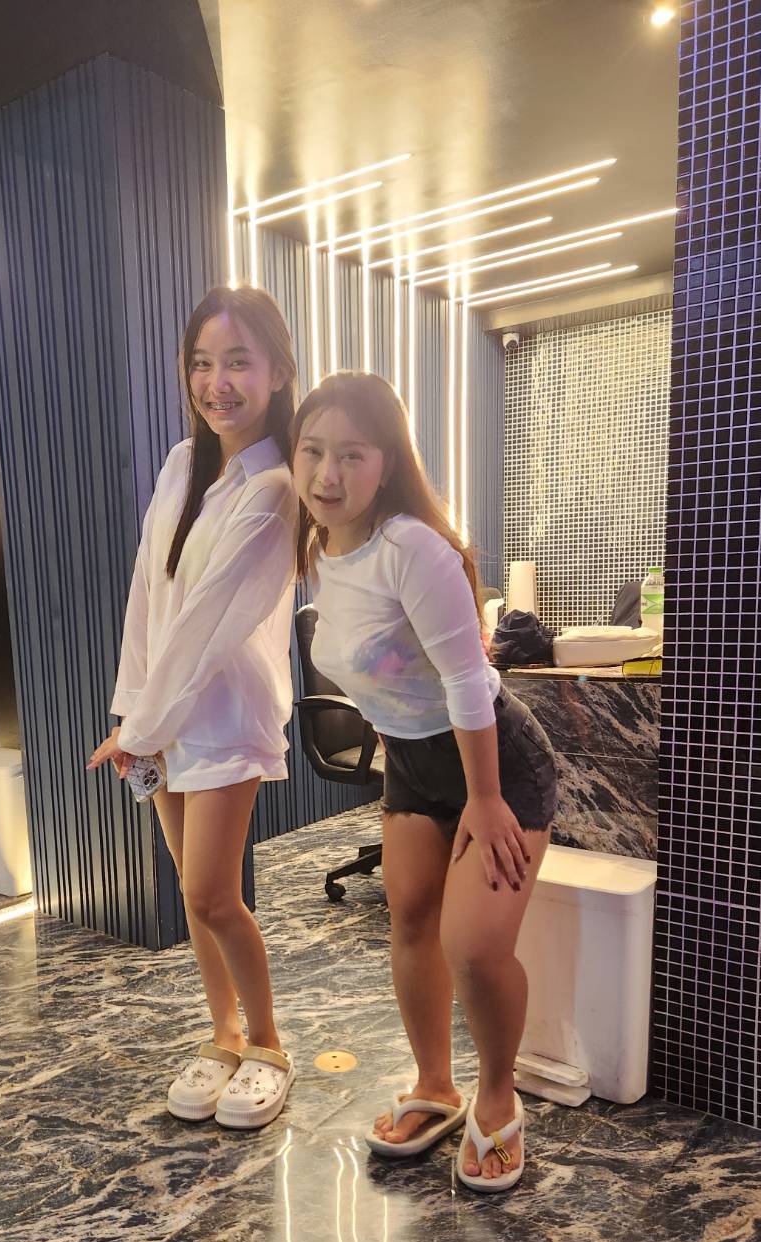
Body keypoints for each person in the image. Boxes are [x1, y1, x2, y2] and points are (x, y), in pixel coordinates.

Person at [290, 371, 557, 1191]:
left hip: (494, 761)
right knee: (409, 919)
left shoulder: (411, 547)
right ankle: (435, 1086)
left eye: (352, 454)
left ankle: (498, 1094)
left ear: (386, 463)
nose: (328, 473)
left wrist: (485, 797)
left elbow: (469, 681)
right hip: (410, 760)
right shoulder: (316, 548)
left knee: (473, 947)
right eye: (312, 451)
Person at [88, 286, 299, 1130]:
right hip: (161, 713)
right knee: (190, 888)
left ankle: (269, 1044)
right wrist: (132, 712)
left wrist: (141, 726)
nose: (218, 382)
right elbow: (150, 596)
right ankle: (223, 1035)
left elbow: (209, 624)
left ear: (278, 371)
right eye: (202, 363)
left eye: (238, 362)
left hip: (225, 715)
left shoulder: (276, 486)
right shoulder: (183, 463)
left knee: (213, 892)